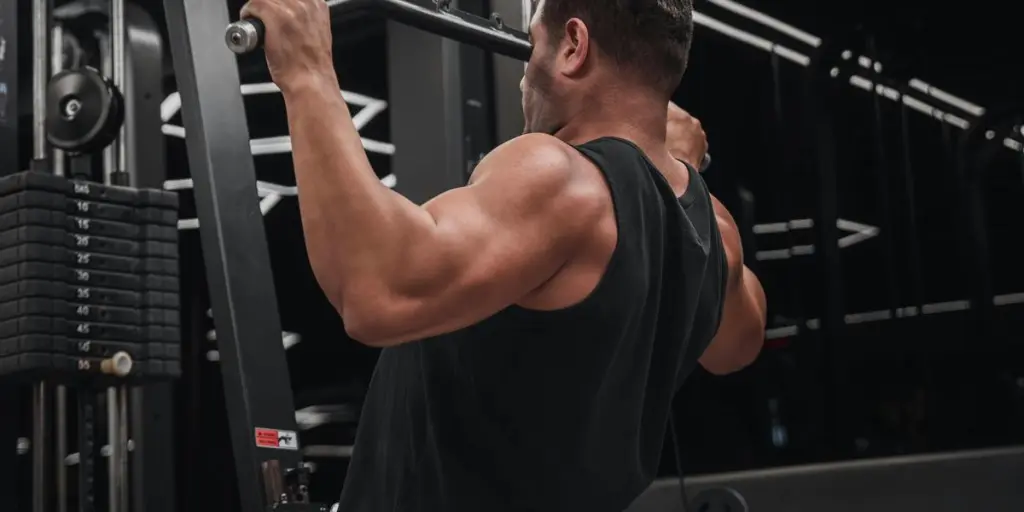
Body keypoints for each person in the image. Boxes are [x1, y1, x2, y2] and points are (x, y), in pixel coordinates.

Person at [240, 0, 766, 510]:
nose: (521, 78)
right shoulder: (713, 230)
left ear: (574, 46)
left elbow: (377, 290)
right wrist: (677, 166)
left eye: (533, 45)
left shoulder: (561, 177)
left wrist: (307, 69)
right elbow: (737, 349)